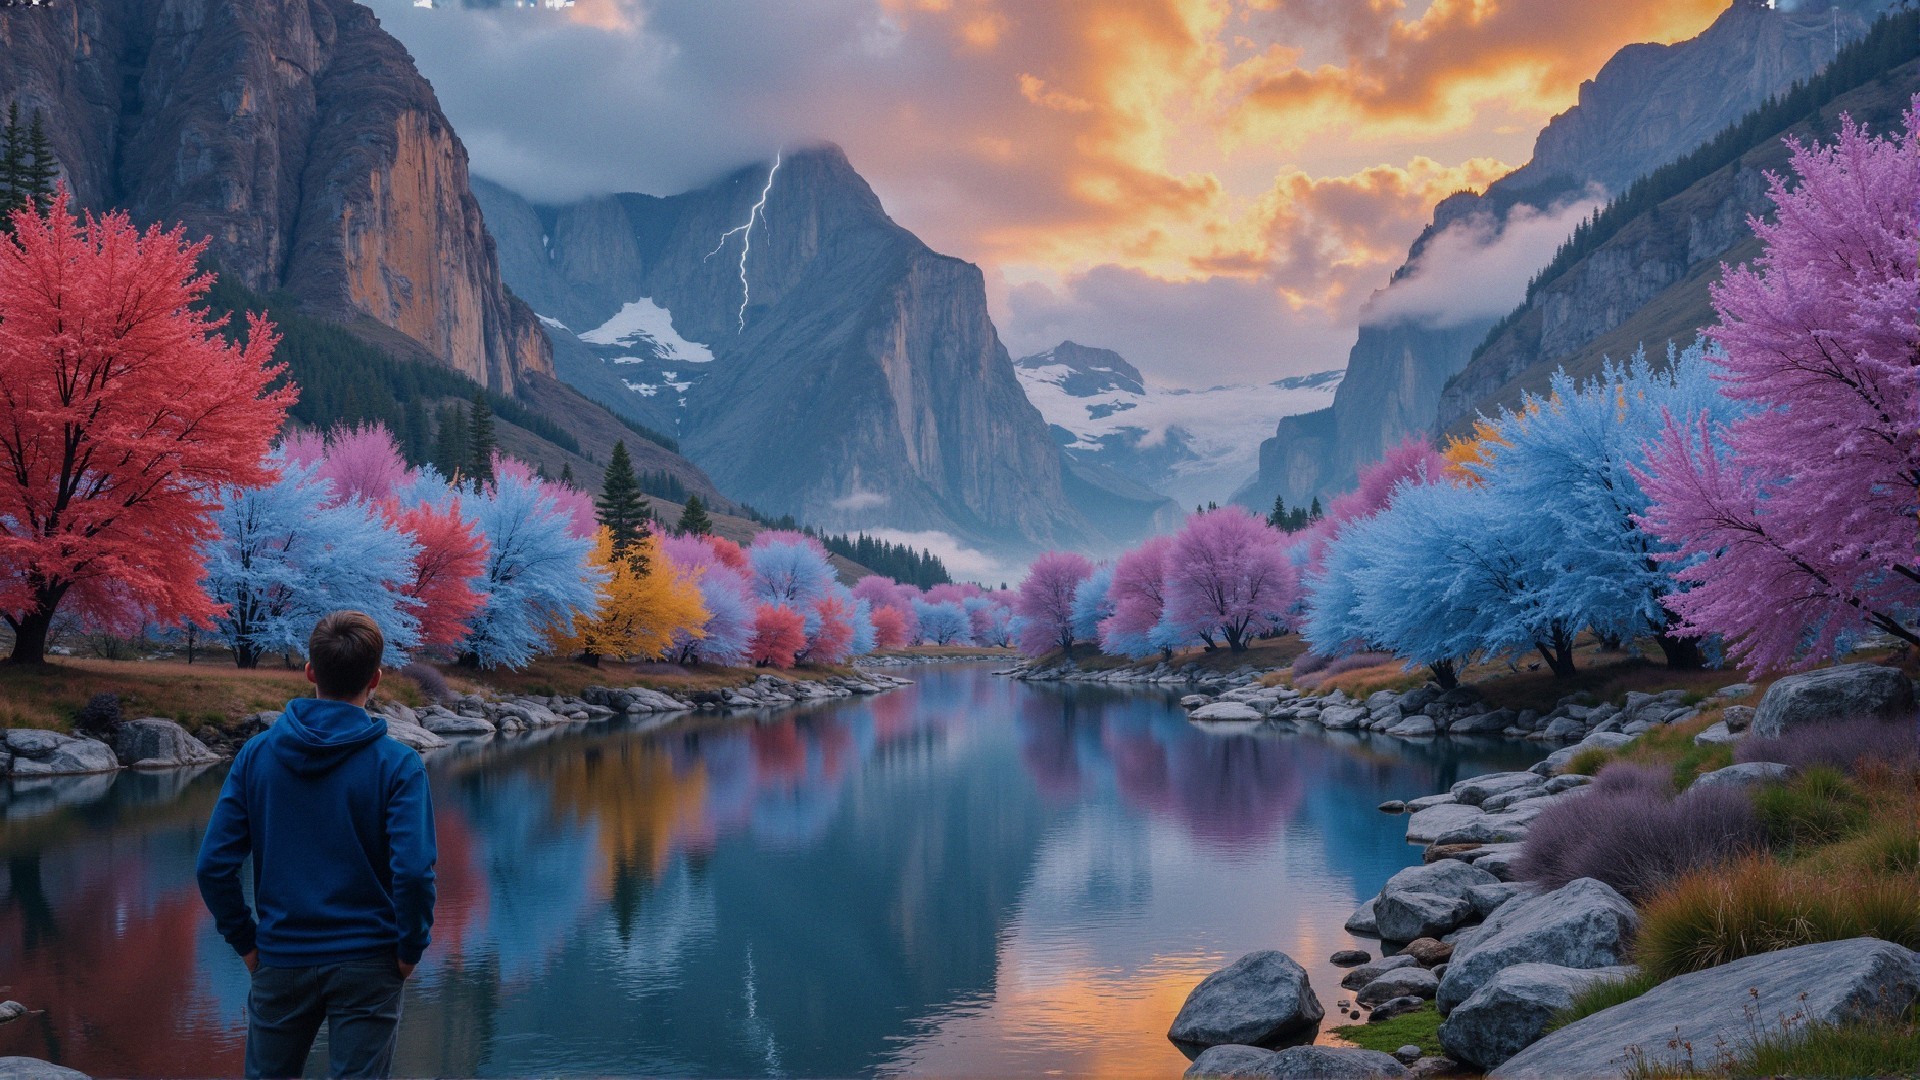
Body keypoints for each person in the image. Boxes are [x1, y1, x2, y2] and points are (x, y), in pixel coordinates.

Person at [196, 611, 437, 1079]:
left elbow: (213, 867)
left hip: (281, 958)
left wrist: (247, 943)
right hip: (370, 960)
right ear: (377, 678)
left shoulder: (256, 755)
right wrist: (410, 949)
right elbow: (413, 873)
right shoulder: (399, 765)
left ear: (310, 672)